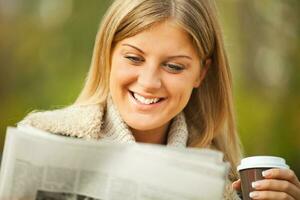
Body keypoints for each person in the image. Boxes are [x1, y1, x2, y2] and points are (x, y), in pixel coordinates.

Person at [19, 0, 300, 199]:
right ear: (108, 55)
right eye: (133, 58)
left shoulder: (227, 182)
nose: (149, 82)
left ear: (201, 73)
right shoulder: (44, 139)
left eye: (174, 66)